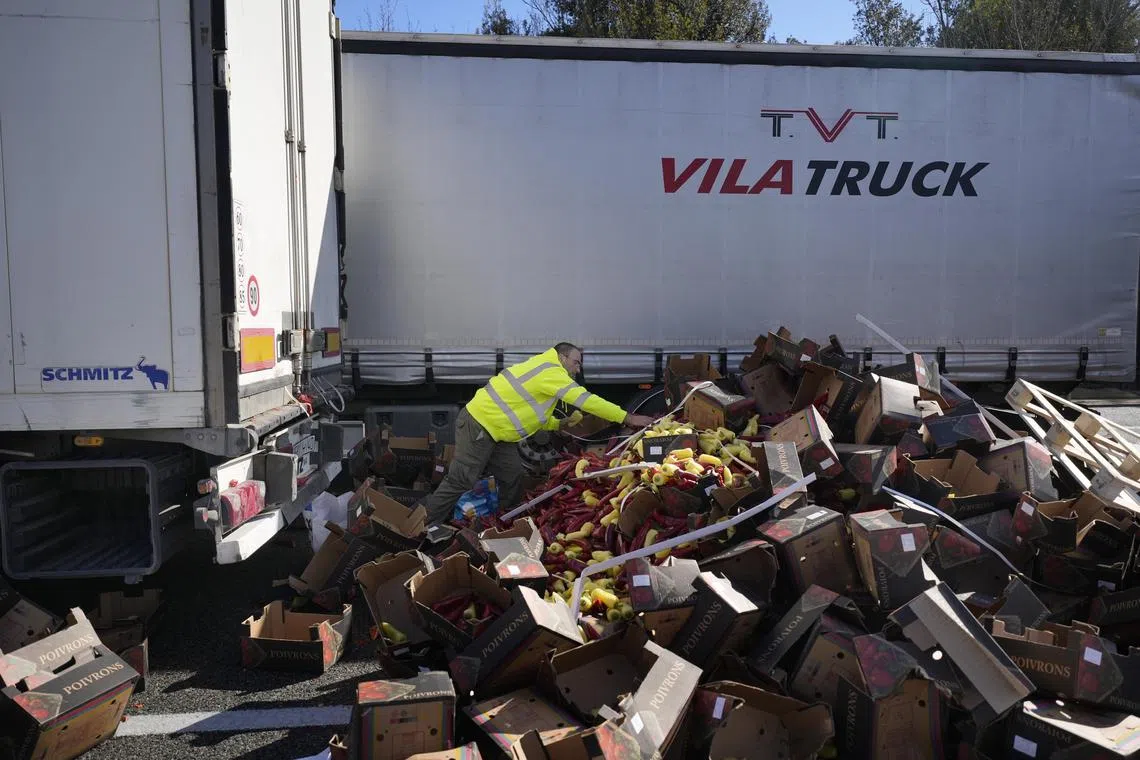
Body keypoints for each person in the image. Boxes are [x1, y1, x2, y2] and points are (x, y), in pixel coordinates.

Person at [421, 342, 655, 525]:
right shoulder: (550, 371)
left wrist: (558, 425)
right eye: (576, 362)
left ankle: (500, 525)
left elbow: (533, 415)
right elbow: (586, 400)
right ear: (562, 357)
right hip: (480, 424)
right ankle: (423, 524)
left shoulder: (545, 374)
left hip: (499, 432)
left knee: (512, 476)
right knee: (462, 479)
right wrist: (628, 417)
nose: (578, 368)